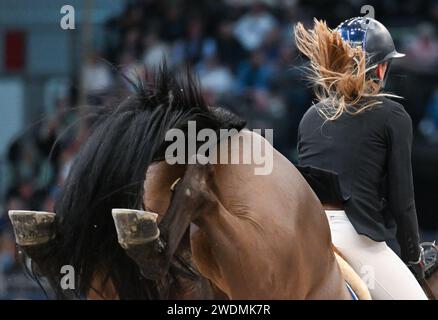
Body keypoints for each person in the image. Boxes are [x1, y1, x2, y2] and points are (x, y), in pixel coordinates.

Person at [295, 17, 428, 300]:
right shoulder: (392, 115)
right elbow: (403, 203)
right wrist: (413, 258)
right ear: (379, 69)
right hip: (356, 239)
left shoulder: (309, 116)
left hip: (308, 235)